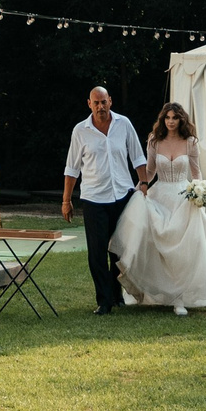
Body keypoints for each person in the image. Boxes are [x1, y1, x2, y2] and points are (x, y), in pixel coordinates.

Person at [108, 101, 206, 315]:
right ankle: (159, 292)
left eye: (175, 118)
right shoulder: (154, 141)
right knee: (157, 245)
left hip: (183, 197)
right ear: (163, 120)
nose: (171, 121)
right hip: (159, 195)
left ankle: (180, 298)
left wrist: (200, 192)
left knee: (183, 249)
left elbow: (196, 173)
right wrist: (139, 189)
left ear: (181, 120)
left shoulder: (190, 142)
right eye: (167, 118)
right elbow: (150, 171)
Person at [61, 85, 146, 313]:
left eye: (104, 102)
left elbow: (138, 157)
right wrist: (66, 200)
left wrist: (144, 184)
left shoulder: (124, 124)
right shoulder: (81, 131)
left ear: (111, 101)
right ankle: (104, 301)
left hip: (122, 196)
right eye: (96, 103)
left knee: (119, 250)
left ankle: (118, 293)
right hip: (94, 198)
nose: (100, 106)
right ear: (89, 104)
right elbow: (72, 168)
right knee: (97, 252)